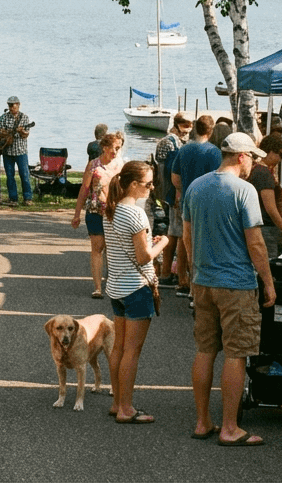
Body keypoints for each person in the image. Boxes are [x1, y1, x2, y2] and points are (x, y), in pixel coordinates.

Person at [182, 132, 275, 447]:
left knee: (205, 349)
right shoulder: (244, 190)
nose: (254, 165)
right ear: (241, 156)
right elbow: (256, 243)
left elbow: (187, 237)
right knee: (236, 353)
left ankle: (202, 421)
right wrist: (269, 282)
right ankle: (230, 427)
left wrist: (193, 271)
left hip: (203, 281)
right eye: (253, 159)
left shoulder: (196, 186)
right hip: (236, 284)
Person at [104, 160, 167, 424]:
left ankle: (117, 402)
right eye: (148, 184)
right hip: (137, 287)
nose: (151, 188)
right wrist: (163, 243)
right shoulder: (136, 214)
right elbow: (143, 257)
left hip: (117, 286)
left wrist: (148, 243)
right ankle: (126, 408)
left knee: (118, 347)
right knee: (132, 351)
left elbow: (127, 247)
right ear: (133, 184)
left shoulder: (111, 210)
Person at [171, 115, 222, 299]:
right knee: (203, 244)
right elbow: (218, 180)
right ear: (211, 130)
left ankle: (183, 280)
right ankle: (199, 286)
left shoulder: (184, 149)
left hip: (187, 199)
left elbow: (175, 178)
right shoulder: (214, 152)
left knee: (185, 241)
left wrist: (182, 190)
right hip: (207, 203)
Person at [72, 131, 126, 299]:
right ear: (104, 147)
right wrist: (77, 214)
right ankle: (97, 287)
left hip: (114, 212)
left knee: (113, 248)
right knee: (97, 248)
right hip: (95, 210)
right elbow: (84, 190)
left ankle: (113, 284)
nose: (115, 151)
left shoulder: (120, 165)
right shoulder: (94, 165)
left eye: (118, 148)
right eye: (113, 148)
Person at [153, 113, 192, 286]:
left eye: (190, 126)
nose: (187, 130)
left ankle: (167, 271)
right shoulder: (169, 143)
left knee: (173, 231)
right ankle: (168, 272)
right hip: (172, 192)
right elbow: (167, 171)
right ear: (176, 125)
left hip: (170, 192)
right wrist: (172, 193)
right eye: (185, 126)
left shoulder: (176, 142)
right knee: (175, 232)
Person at [250, 133, 282, 259]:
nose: (280, 159)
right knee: (270, 262)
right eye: (280, 155)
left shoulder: (256, 169)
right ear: (269, 151)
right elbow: (270, 208)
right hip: (267, 229)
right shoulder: (264, 174)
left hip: (260, 227)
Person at [0, 96, 33, 205]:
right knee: (10, 176)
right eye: (9, 105)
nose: (11, 107)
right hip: (7, 151)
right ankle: (13, 198)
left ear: (18, 105)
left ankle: (28, 198)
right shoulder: (4, 117)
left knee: (24, 175)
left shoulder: (24, 118)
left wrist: (22, 131)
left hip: (20, 151)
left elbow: (26, 134)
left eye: (13, 105)